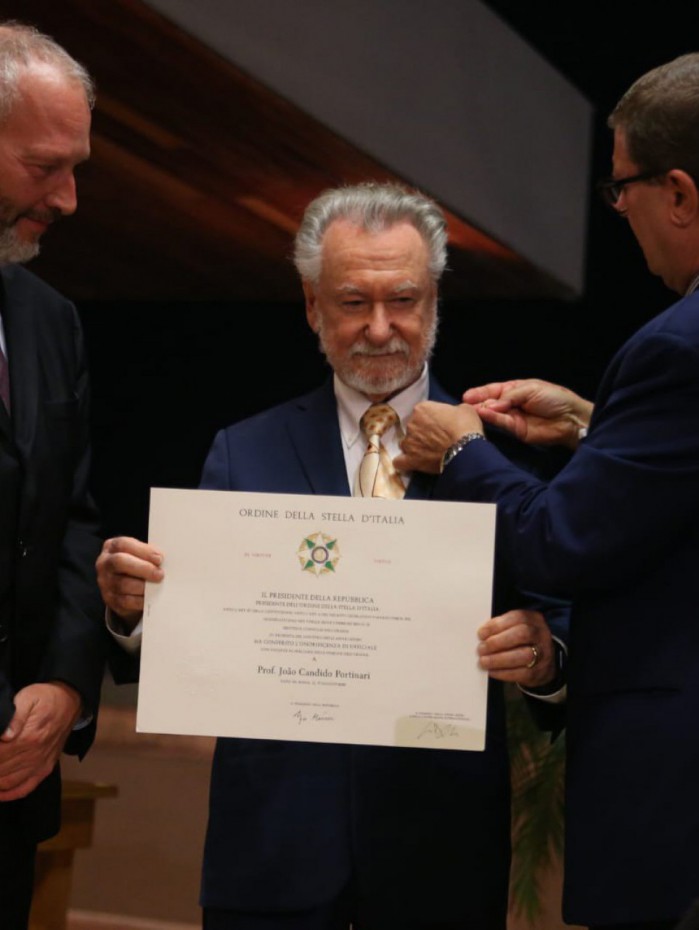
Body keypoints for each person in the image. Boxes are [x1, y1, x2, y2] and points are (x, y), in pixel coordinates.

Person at [97, 181, 567, 930]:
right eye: (353, 302)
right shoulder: (242, 449)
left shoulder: (507, 450)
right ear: (313, 307)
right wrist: (133, 613)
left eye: (403, 300)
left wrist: (545, 658)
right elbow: (195, 644)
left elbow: (565, 614)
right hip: (272, 850)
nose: (380, 328)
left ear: (434, 303)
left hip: (439, 853)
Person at [395, 52, 699, 930]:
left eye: (622, 188)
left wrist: (459, 449)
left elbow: (556, 544)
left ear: (678, 193)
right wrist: (593, 426)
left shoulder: (674, 347)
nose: (621, 212)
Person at [0, 21, 107, 930]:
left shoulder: (49, 318)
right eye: (45, 167)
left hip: (13, 789)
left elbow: (69, 515)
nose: (69, 198)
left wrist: (66, 686)